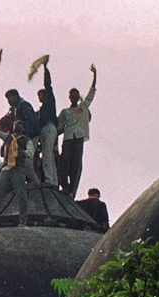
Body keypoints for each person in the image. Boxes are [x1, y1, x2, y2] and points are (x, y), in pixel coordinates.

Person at [0, 106, 35, 227]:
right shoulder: (7, 137)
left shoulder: (26, 141)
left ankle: (23, 220)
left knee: (21, 194)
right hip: (6, 168)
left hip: (18, 168)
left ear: (24, 128)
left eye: (20, 124)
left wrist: (22, 153)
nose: (16, 125)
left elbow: (30, 153)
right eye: (15, 124)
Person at [57, 64, 97, 198]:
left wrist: (94, 75)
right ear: (69, 97)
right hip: (68, 138)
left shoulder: (83, 108)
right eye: (72, 96)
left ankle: (72, 190)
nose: (74, 98)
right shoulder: (65, 112)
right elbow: (58, 125)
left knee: (76, 165)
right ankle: (65, 186)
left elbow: (91, 93)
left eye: (76, 96)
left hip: (78, 137)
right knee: (64, 162)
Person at [36, 60, 58, 187]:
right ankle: (53, 181)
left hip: (49, 128)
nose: (40, 97)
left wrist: (45, 69)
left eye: (41, 94)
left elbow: (48, 85)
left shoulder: (49, 103)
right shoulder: (42, 109)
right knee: (49, 157)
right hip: (48, 129)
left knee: (47, 156)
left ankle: (49, 180)